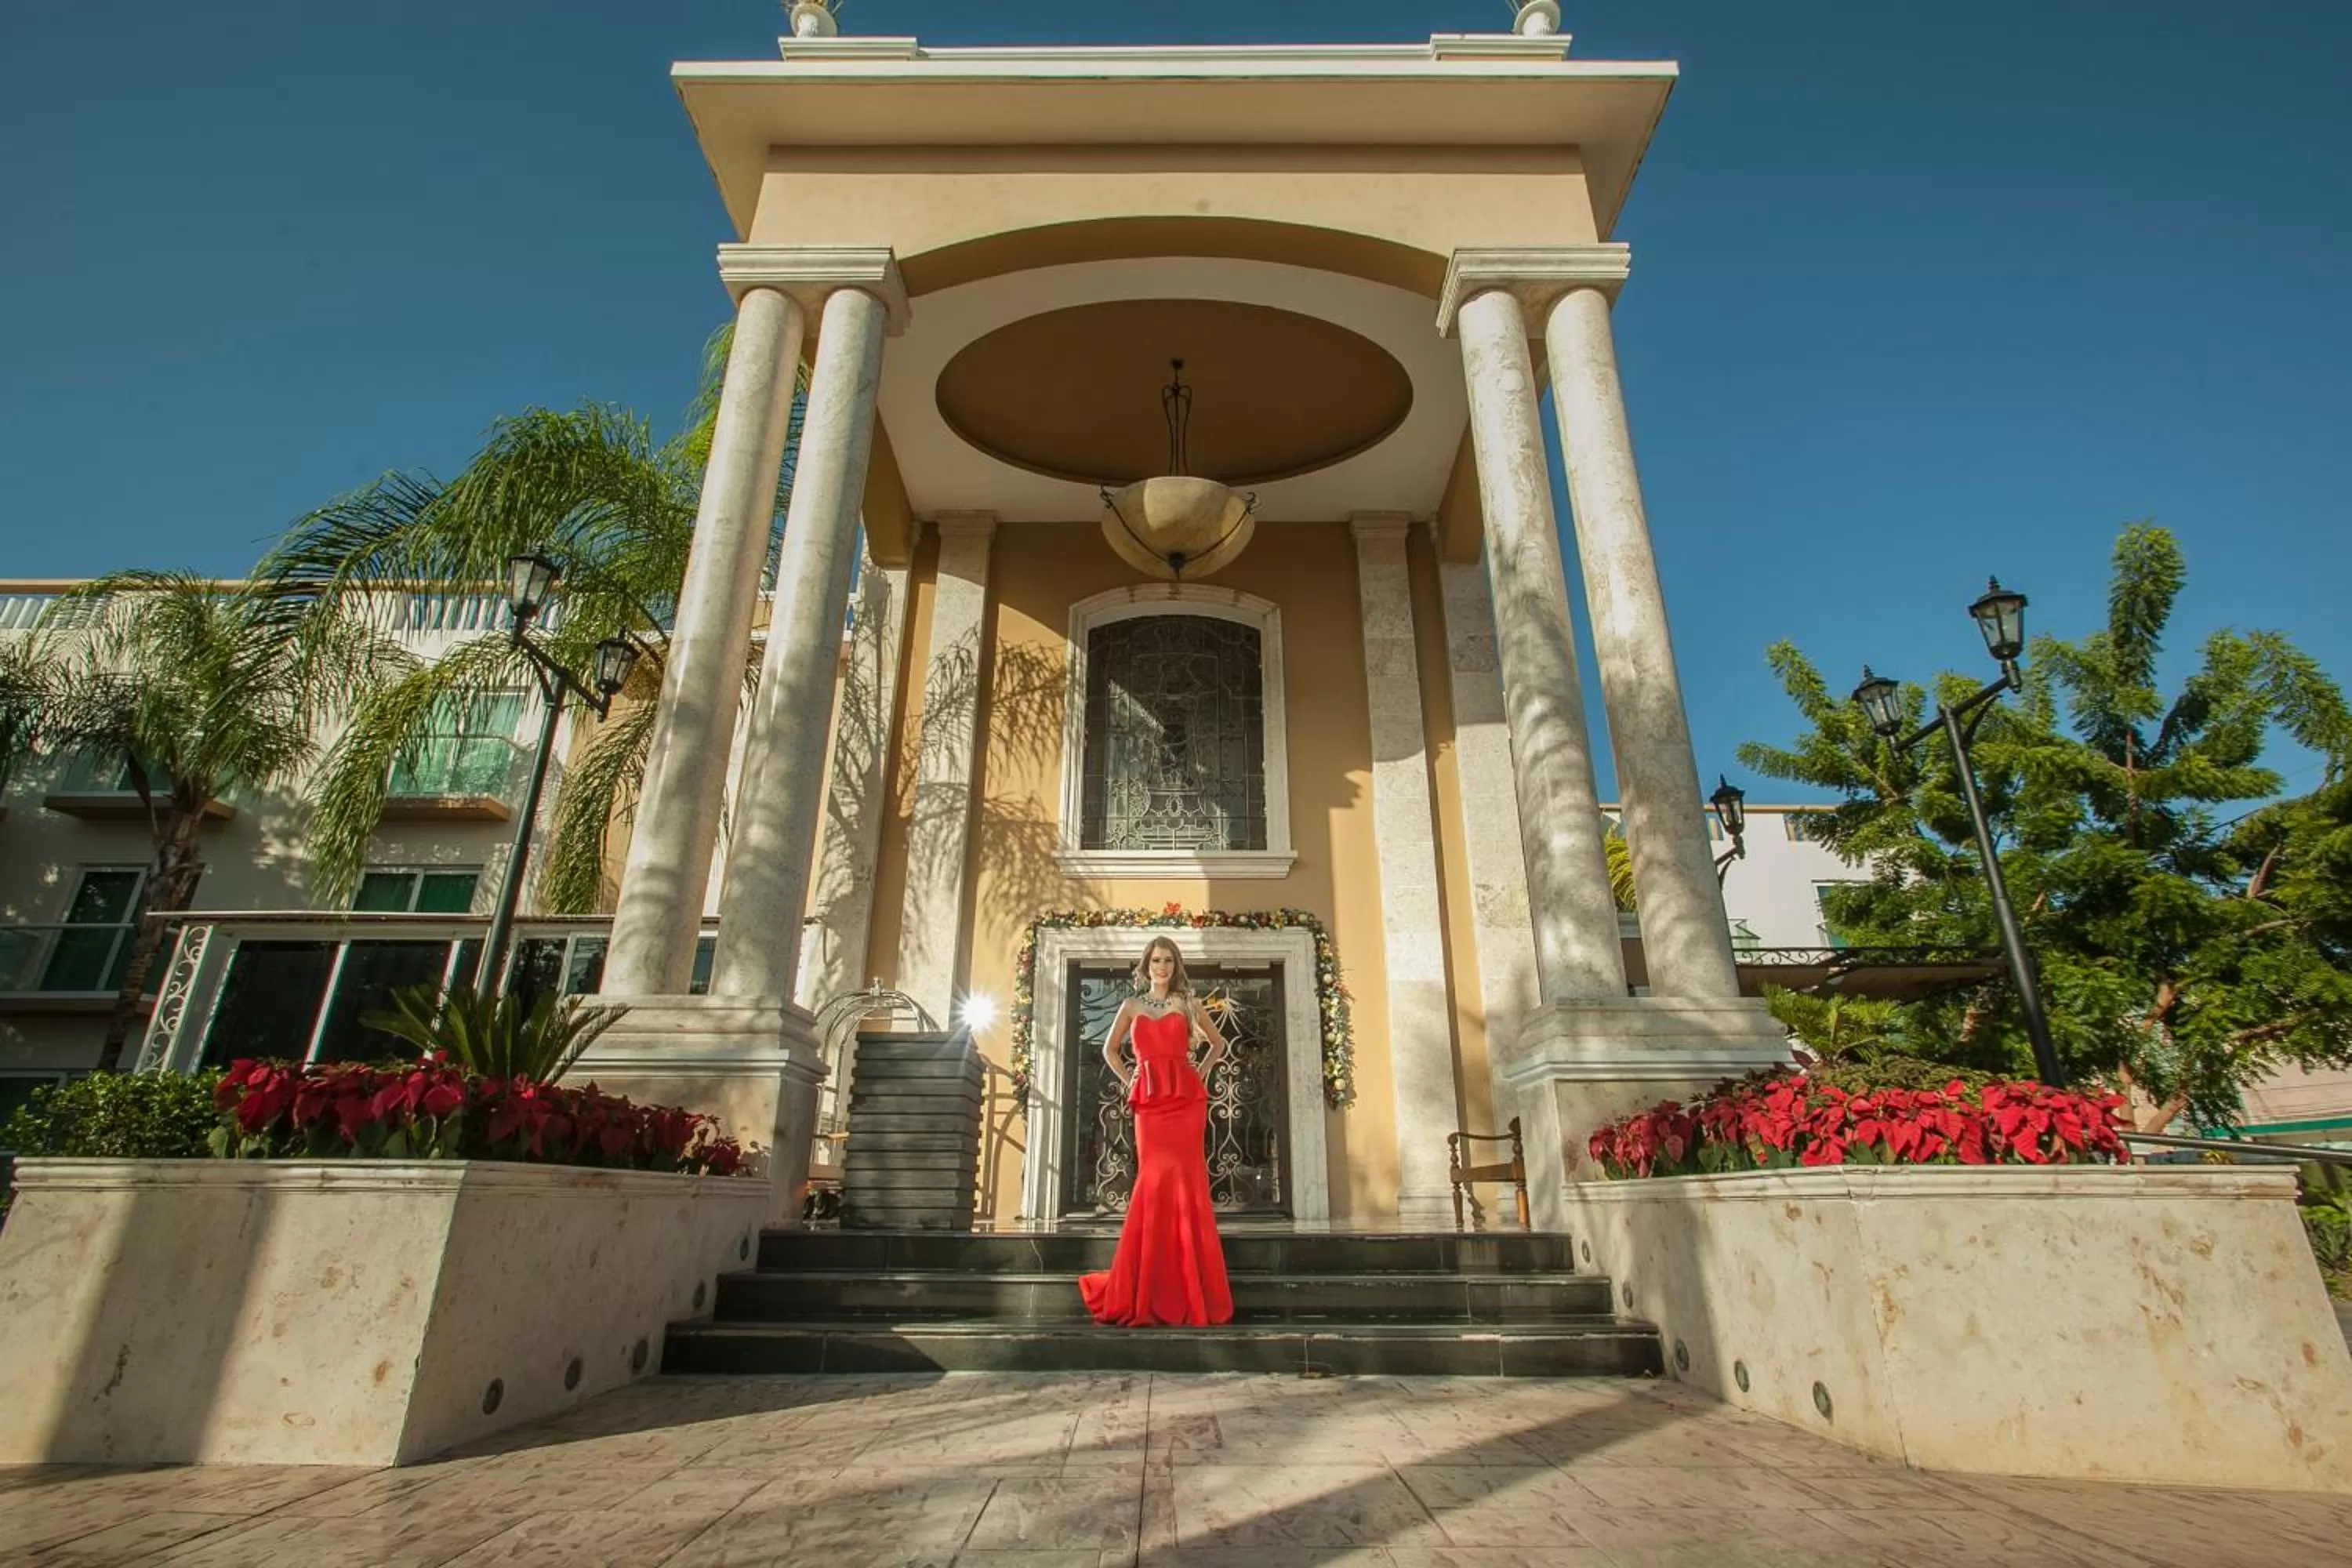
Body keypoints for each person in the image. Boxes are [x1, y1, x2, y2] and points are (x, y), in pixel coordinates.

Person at [1076, 935, 1236, 1327]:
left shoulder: (1188, 1004)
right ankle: (1146, 1285)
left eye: (1168, 961)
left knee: (1187, 1183)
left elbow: (1217, 1045)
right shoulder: (1131, 1006)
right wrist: (1132, 1077)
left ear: (1175, 966)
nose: (1162, 967)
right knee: (1153, 1181)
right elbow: (1109, 1049)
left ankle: (1191, 1289)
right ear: (1146, 966)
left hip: (1186, 1101)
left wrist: (1197, 1072)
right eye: (1156, 961)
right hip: (1150, 1103)